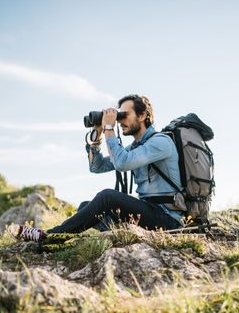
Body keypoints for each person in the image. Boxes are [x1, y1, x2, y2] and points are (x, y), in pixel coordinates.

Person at [13, 94, 184, 242]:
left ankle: (51, 236)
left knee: (107, 197)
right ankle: (121, 236)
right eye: (119, 116)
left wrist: (109, 127)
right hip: (148, 214)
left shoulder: (160, 142)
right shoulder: (136, 148)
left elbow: (122, 163)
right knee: (86, 207)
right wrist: (97, 135)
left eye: (124, 115)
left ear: (142, 116)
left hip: (167, 219)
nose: (120, 120)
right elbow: (97, 167)